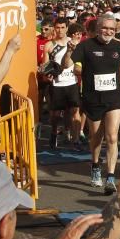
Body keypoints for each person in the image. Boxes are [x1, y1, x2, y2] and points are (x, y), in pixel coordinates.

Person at [64, 13, 120, 194]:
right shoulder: (86, 46)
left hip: (114, 98)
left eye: (112, 29)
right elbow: (66, 64)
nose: (108, 31)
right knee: (96, 137)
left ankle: (110, 177)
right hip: (93, 99)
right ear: (98, 28)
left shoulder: (119, 46)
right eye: (105, 28)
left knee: (112, 137)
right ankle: (95, 165)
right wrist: (69, 51)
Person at [44, 17, 82, 149]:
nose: (60, 30)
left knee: (75, 111)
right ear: (54, 28)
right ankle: (54, 133)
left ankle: (75, 139)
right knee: (55, 115)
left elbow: (79, 62)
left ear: (67, 28)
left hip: (71, 82)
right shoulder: (49, 46)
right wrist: (46, 73)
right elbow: (45, 65)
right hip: (57, 84)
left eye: (62, 27)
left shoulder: (74, 43)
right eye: (57, 27)